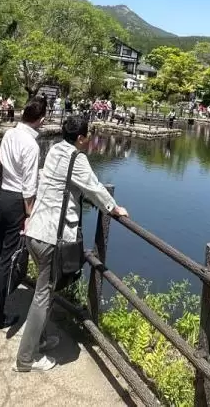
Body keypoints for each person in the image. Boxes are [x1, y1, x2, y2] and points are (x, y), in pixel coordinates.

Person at [16, 115, 128, 373]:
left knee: (46, 290)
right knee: (43, 295)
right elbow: (94, 187)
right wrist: (113, 208)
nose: (87, 140)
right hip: (51, 237)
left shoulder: (55, 149)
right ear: (81, 138)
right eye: (86, 136)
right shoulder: (77, 158)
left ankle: (40, 340)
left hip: (35, 229)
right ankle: (26, 358)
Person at [0, 97, 46, 330]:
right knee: (7, 259)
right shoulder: (32, 145)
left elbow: (3, 162)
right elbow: (29, 184)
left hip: (2, 195)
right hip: (17, 202)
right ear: (41, 120)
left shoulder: (10, 134)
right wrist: (30, 213)